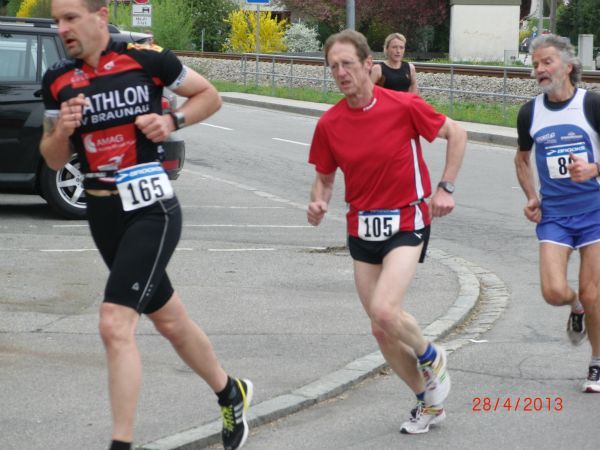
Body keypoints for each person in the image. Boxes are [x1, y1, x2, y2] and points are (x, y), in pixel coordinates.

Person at [40, 0, 253, 449]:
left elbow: (209, 95)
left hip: (151, 208)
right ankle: (230, 392)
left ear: (100, 16)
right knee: (171, 321)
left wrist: (172, 119)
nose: (62, 28)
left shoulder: (147, 58)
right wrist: (62, 132)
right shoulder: (58, 79)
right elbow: (54, 159)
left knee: (114, 323)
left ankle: (121, 443)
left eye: (71, 18)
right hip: (103, 214)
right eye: (57, 20)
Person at [307, 29, 467, 434]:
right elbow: (324, 178)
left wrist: (445, 187)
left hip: (406, 219)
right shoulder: (329, 123)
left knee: (384, 309)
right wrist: (319, 201)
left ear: (368, 65)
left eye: (347, 64)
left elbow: (457, 133)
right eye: (333, 67)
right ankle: (427, 401)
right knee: (381, 329)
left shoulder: (403, 106)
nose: (341, 73)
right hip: (362, 226)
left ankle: (431, 356)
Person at [514, 34, 600, 393]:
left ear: (568, 65)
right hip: (555, 215)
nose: (540, 69)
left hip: (595, 212)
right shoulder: (530, 112)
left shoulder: (592, 105)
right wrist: (531, 196)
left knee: (594, 293)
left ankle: (597, 362)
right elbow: (522, 158)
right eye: (535, 64)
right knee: (552, 291)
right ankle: (575, 306)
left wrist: (594, 169)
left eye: (547, 62)